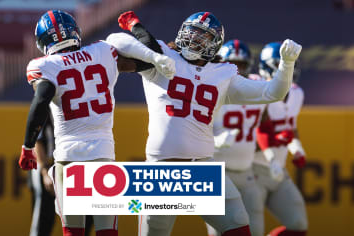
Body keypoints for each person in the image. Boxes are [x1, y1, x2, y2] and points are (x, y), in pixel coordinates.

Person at [115, 11, 302, 236]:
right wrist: (150, 52)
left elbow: (273, 92)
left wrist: (287, 64)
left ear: (214, 46)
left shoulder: (223, 73)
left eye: (202, 37)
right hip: (162, 169)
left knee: (239, 225)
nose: (194, 40)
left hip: (203, 167)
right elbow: (114, 42)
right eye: (191, 33)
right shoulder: (162, 56)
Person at [18, 10, 176, 236]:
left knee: (73, 232)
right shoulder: (102, 52)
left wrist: (28, 146)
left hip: (69, 158)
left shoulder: (46, 65)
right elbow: (150, 56)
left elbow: (41, 101)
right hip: (102, 156)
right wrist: (136, 28)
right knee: (106, 231)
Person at [205, 40, 266, 236]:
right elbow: (192, 131)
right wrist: (215, 141)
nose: (236, 69)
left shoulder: (258, 85)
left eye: (241, 65)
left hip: (246, 172)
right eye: (232, 63)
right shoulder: (210, 86)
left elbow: (267, 119)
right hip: (217, 172)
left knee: (254, 230)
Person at [253, 42, 308, 236]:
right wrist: (277, 139)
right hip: (252, 170)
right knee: (249, 230)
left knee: (298, 224)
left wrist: (297, 149)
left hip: (278, 170)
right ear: (268, 67)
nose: (289, 69)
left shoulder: (296, 93)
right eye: (283, 64)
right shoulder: (257, 90)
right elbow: (249, 138)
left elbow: (290, 129)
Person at [28, 117, 56, 236]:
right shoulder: (45, 110)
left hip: (63, 168)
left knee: (82, 218)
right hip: (45, 167)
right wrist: (45, 172)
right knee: (43, 218)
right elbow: (37, 141)